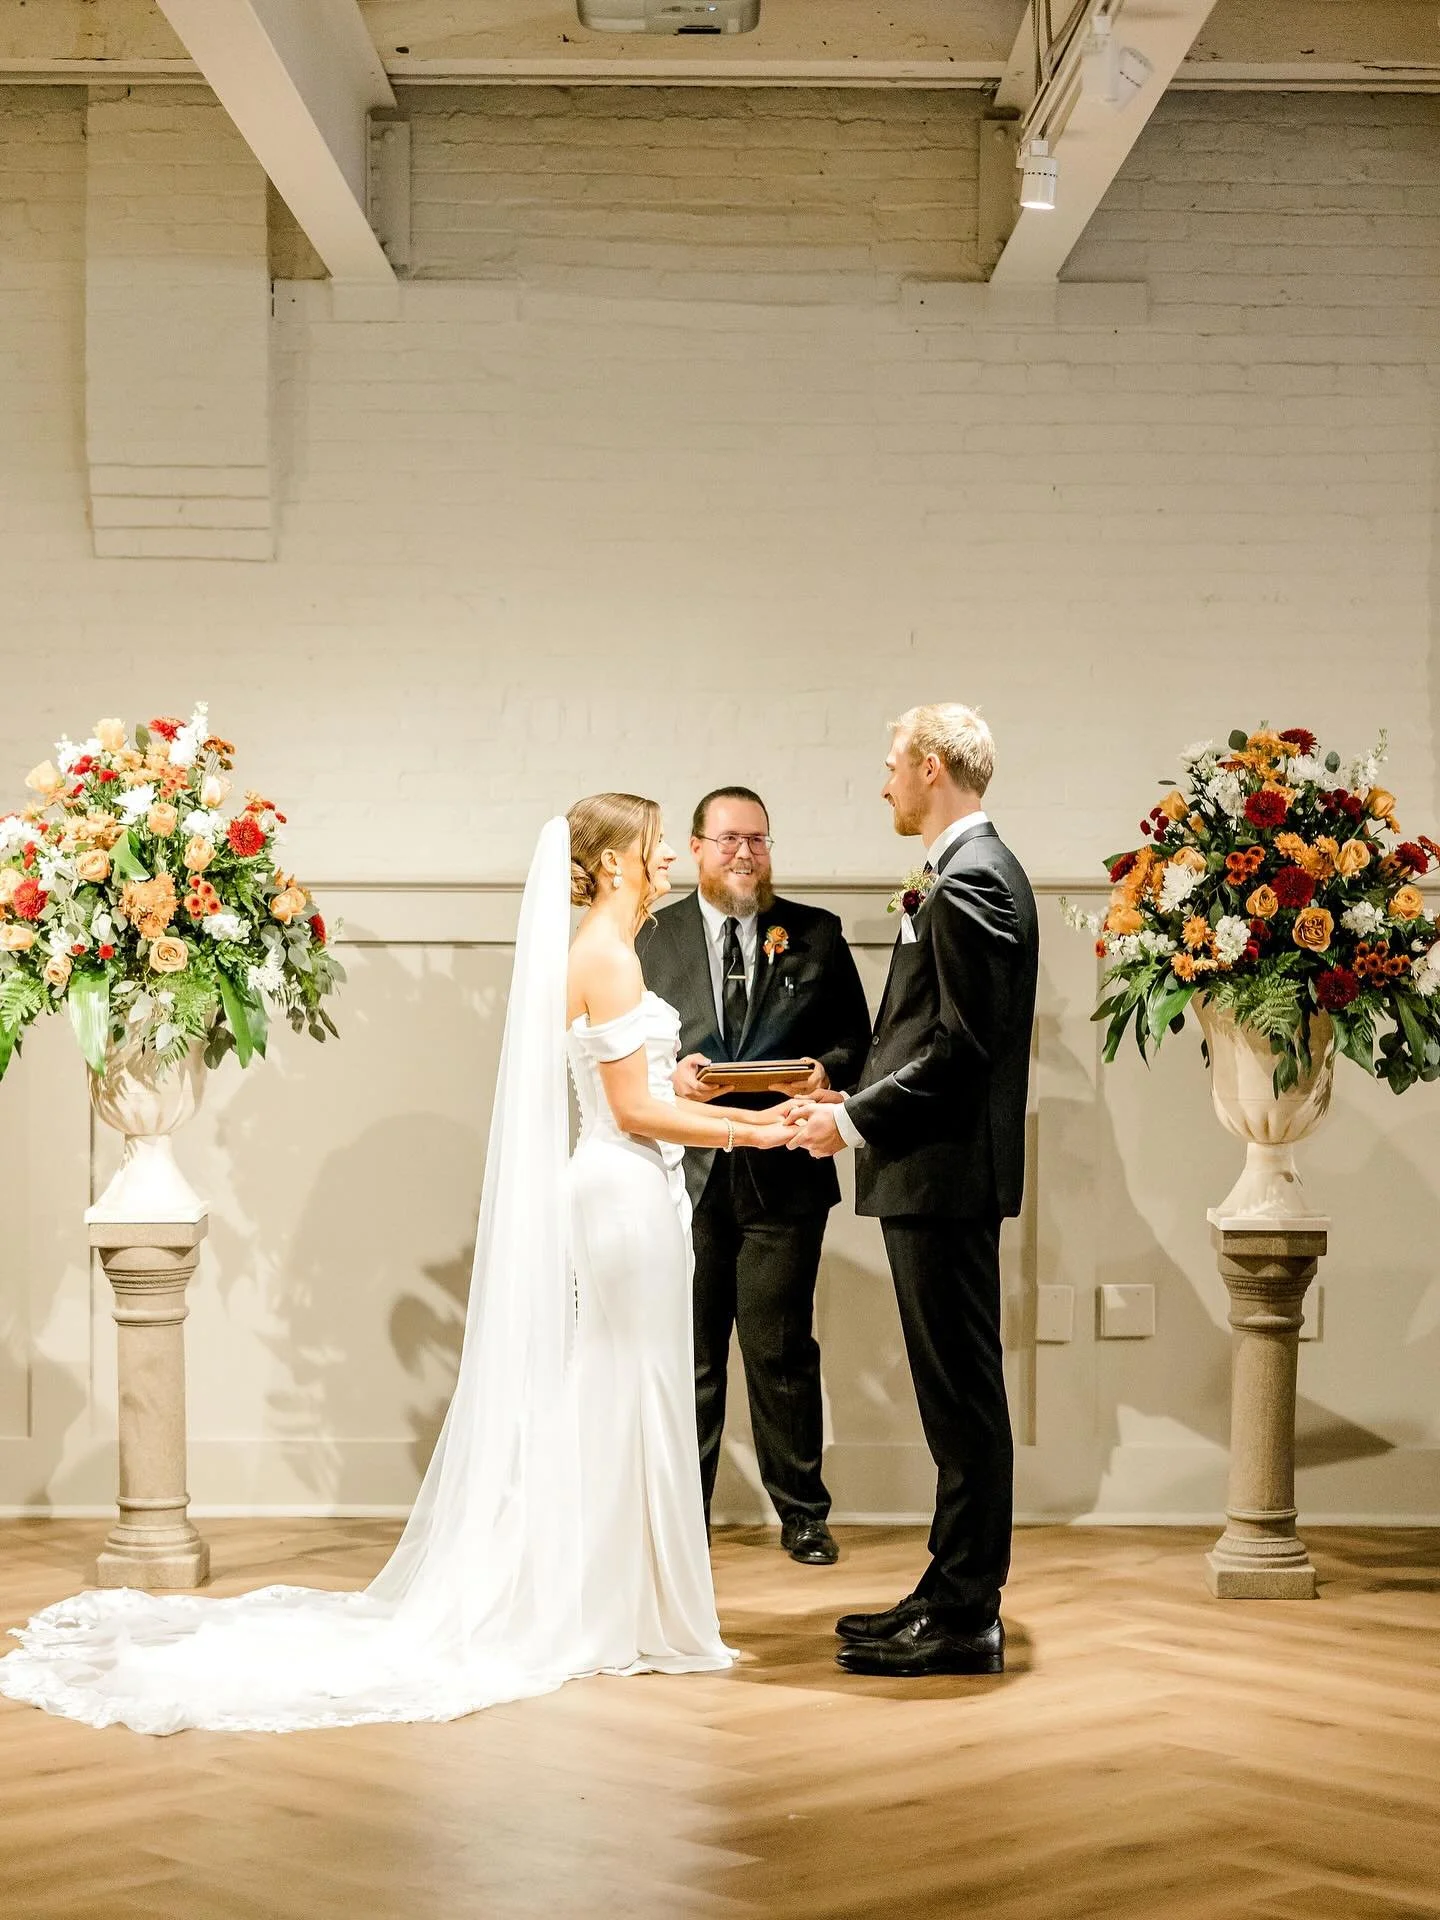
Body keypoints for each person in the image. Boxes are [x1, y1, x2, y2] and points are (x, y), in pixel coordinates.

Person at [0, 796, 794, 1734]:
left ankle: (613, 1598)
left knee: (623, 1386)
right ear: (616, 862)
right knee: (628, 1385)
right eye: (657, 847)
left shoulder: (601, 950)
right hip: (624, 1193)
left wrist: (697, 1089)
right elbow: (632, 1111)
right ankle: (609, 1604)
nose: (667, 862)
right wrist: (754, 1129)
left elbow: (635, 1084)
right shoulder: (610, 956)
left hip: (624, 1189)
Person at [788, 706, 1038, 1678]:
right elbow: (926, 1036)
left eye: (894, 764)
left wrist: (852, 1123)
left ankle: (969, 1613)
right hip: (932, 1175)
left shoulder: (974, 881)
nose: (884, 782)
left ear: (932, 768)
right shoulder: (964, 873)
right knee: (951, 1398)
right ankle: (946, 1588)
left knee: (963, 1400)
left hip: (944, 1178)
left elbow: (961, 1051)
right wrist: (852, 1093)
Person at [637, 787, 870, 1564]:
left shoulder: (815, 933)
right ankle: (684, 1518)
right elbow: (621, 1049)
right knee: (691, 1354)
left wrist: (822, 1072)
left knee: (782, 1350)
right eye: (730, 839)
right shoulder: (650, 934)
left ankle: (802, 1514)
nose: (746, 854)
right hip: (684, 1174)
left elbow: (856, 1042)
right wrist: (672, 1075)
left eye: (759, 840)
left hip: (785, 1172)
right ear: (699, 848)